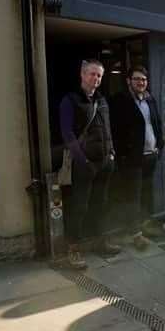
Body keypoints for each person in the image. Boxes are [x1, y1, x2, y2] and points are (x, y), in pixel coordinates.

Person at [60, 59, 118, 269]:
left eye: (99, 75)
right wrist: (81, 160)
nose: (96, 78)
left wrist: (111, 153)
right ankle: (73, 249)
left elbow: (108, 129)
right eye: (92, 74)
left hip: (104, 162)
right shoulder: (71, 100)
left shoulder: (103, 101)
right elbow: (67, 133)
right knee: (80, 207)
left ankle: (100, 241)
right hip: (84, 164)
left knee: (100, 205)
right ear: (82, 75)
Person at [109, 66, 164, 251]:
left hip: (151, 156)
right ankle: (135, 234)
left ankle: (143, 227)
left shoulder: (150, 99)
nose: (141, 82)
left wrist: (160, 146)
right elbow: (116, 130)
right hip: (133, 159)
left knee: (146, 194)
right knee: (133, 196)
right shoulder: (121, 101)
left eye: (144, 79)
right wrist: (122, 155)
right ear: (128, 81)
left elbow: (157, 123)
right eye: (137, 79)